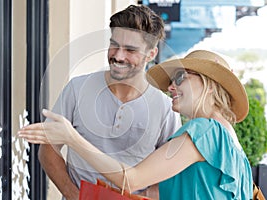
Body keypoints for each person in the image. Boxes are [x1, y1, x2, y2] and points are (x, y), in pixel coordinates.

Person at [19, 49, 253, 199]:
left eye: (181, 78)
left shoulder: (203, 131)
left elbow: (131, 180)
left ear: (210, 85)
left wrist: (72, 139)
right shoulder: (227, 136)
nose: (171, 87)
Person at [37, 5, 181, 200]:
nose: (118, 56)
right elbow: (48, 150)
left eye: (130, 50)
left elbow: (171, 172)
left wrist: (147, 195)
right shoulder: (77, 89)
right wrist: (73, 195)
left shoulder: (165, 108)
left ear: (151, 54)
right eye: (114, 45)